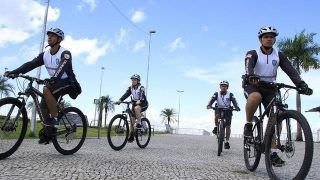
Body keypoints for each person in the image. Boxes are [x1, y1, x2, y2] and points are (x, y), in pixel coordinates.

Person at [242, 26, 312, 166]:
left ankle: (272, 152)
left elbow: (290, 70)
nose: (269, 39)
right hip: (253, 84)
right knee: (255, 97)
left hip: (271, 87)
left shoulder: (279, 55)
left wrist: (301, 83)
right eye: (266, 36)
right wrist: (250, 76)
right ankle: (249, 124)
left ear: (274, 39)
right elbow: (248, 65)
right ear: (261, 39)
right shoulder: (253, 53)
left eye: (272, 37)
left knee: (277, 116)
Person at [4, 27, 81, 144]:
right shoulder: (45, 55)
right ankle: (49, 132)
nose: (49, 37)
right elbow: (31, 64)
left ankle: (54, 119)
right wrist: (14, 72)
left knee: (46, 88)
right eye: (48, 35)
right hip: (54, 83)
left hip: (67, 83)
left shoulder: (65, 53)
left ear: (59, 39)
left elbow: (62, 66)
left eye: (53, 36)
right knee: (43, 106)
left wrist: (53, 78)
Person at [207, 80, 240, 149]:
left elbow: (234, 101)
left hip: (228, 110)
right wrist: (209, 105)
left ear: (227, 87)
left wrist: (236, 107)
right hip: (219, 109)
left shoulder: (230, 94)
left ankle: (227, 141)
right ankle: (216, 127)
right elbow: (212, 100)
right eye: (222, 86)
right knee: (216, 116)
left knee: (228, 126)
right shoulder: (216, 94)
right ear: (220, 87)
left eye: (225, 86)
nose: (223, 87)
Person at [115, 74, 148, 142]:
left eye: (135, 80)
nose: (133, 81)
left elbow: (142, 95)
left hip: (143, 103)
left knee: (136, 108)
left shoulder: (141, 87)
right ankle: (131, 135)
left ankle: (139, 123)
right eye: (132, 80)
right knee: (132, 121)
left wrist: (139, 100)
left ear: (138, 81)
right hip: (134, 103)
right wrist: (120, 100)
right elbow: (126, 94)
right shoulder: (130, 88)